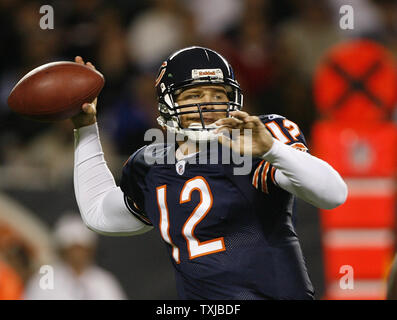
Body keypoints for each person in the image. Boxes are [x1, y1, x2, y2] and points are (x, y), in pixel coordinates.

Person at [71, 46, 347, 300]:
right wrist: (85, 127)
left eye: (219, 94)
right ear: (168, 104)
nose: (209, 103)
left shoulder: (261, 138)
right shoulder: (150, 164)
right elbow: (99, 214)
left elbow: (333, 194)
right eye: (194, 95)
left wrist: (273, 150)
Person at [23, 213, 126, 300]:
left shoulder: (103, 282)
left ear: (91, 250)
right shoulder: (45, 280)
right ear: (62, 250)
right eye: (72, 248)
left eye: (82, 248)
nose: (77, 254)